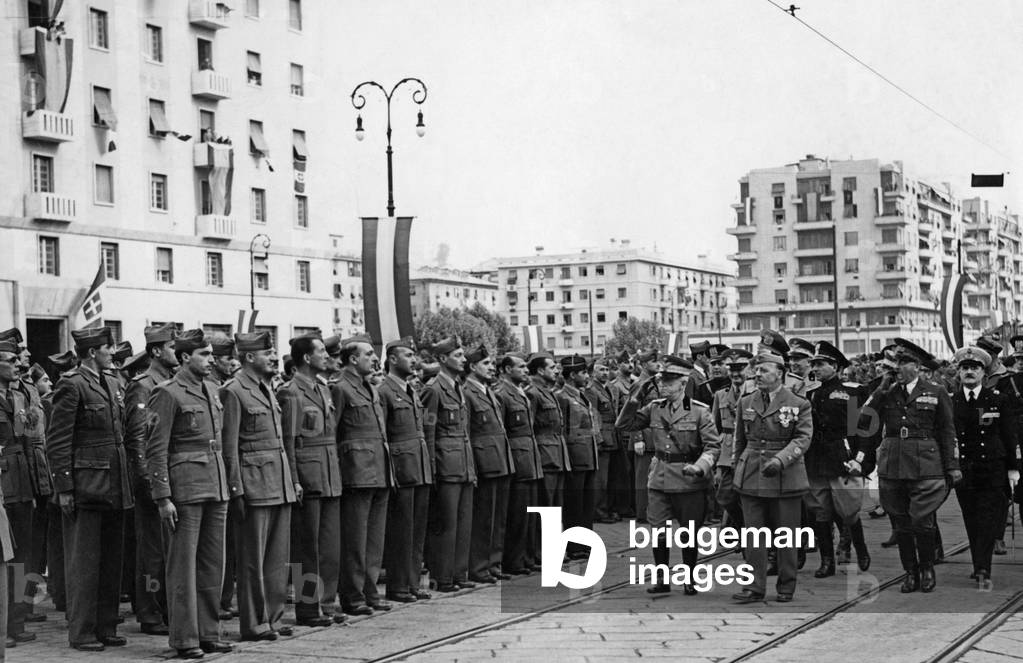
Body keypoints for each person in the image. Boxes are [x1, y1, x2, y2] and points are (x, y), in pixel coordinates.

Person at [145, 330, 234, 658]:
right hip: (184, 490)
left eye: (211, 354)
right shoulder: (166, 393)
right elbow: (155, 449)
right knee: (182, 567)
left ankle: (209, 632)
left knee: (213, 565)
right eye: (204, 355)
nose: (211, 360)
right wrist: (162, 497)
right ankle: (185, 638)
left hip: (214, 484)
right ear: (184, 358)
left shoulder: (212, 389)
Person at [45, 326, 134, 651]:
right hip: (85, 485)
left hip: (114, 483)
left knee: (111, 560)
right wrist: (65, 487)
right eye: (108, 348)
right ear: (93, 352)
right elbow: (58, 441)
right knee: (84, 563)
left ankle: (106, 626)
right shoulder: (71, 385)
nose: (112, 352)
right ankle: (82, 631)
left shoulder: (112, 382)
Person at [616, 355, 721, 595]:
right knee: (658, 531)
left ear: (683, 384)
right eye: (662, 381)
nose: (663, 385)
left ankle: (690, 579)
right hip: (660, 477)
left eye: (670, 381)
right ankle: (662, 579)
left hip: (688, 478)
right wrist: (634, 398)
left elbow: (713, 447)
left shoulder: (699, 412)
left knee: (688, 532)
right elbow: (624, 426)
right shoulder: (654, 408)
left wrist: (700, 467)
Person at [862, 338, 958, 593]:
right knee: (901, 523)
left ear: (917, 365)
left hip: (926, 464)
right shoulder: (884, 391)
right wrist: (879, 391)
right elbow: (860, 422)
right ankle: (910, 571)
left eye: (904, 362)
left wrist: (952, 466)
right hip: (893, 464)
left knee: (923, 521)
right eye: (896, 362)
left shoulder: (936, 391)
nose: (898, 368)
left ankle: (927, 567)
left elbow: (947, 431)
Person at [220, 331, 299, 640]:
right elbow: (230, 448)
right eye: (267, 353)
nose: (274, 357)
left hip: (277, 482)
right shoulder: (234, 391)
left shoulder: (267, 388)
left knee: (277, 560)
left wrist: (291, 480)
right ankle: (254, 623)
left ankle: (273, 618)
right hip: (254, 486)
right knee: (252, 560)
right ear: (250, 357)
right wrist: (237, 490)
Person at [731, 352, 812, 604]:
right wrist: (737, 468)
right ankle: (754, 586)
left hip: (785, 476)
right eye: (756, 371)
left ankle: (786, 586)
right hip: (752, 473)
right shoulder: (746, 402)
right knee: (753, 535)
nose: (758, 375)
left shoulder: (799, 403)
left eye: (764, 370)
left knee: (786, 535)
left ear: (780, 373)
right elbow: (739, 440)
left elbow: (803, 438)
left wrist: (781, 459)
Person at [278, 332, 342, 626]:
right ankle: (307, 607)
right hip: (307, 473)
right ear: (306, 357)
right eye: (321, 352)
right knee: (307, 547)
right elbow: (288, 441)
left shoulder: (323, 389)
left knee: (329, 545)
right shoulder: (291, 392)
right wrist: (294, 479)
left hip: (328, 473)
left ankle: (326, 603)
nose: (326, 356)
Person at [123, 323, 179, 636]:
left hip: (171, 475)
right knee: (151, 553)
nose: (177, 352)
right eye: (172, 347)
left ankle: (166, 607)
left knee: (168, 549)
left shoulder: (173, 382)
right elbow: (137, 439)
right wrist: (147, 482)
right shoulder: (143, 385)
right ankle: (149, 611)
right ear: (157, 351)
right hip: (151, 481)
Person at [950, 346, 1019, 588]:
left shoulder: (998, 399)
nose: (969, 372)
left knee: (988, 519)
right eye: (965, 368)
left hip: (992, 469)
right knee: (971, 518)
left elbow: (1009, 435)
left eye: (975, 368)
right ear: (958, 372)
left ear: (983, 372)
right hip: (965, 470)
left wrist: (1014, 467)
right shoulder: (951, 402)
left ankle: (983, 567)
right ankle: (978, 562)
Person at [332, 336, 391, 614]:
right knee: (355, 540)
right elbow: (331, 433)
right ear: (353, 359)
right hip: (355, 471)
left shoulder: (370, 387)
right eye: (368, 354)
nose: (374, 358)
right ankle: (353, 596)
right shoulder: (341, 388)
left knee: (374, 539)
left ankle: (370, 591)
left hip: (378, 469)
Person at [805, 341, 872, 577]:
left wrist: (860, 458)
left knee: (848, 509)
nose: (816, 368)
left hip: (842, 457)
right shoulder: (810, 394)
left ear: (835, 365)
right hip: (816, 460)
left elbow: (863, 428)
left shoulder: (853, 391)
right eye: (814, 364)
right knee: (820, 511)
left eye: (821, 364)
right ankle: (826, 561)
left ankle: (860, 547)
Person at [378, 338, 432, 602]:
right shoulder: (384, 391)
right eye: (408, 355)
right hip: (401, 468)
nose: (413, 360)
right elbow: (383, 436)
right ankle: (398, 585)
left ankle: (412, 583)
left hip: (419, 466)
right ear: (392, 359)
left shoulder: (410, 389)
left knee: (417, 529)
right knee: (401, 530)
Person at [422, 337, 476, 592]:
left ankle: (458, 572)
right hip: (445, 465)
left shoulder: (457, 388)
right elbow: (428, 431)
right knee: (446, 525)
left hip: (462, 463)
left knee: (463, 523)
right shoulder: (433, 390)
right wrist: (432, 469)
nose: (464, 359)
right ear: (443, 359)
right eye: (458, 355)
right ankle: (442, 576)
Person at [463, 345, 514, 584]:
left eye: (492, 363)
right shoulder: (467, 393)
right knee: (484, 518)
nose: (492, 367)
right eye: (486, 363)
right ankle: (479, 566)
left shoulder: (489, 391)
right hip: (485, 462)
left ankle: (494, 563)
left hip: (500, 460)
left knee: (498, 517)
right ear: (472, 367)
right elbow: (467, 433)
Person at [0, 339, 36, 647]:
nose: (18, 365)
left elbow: (24, 438)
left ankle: (18, 620)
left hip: (22, 481)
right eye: (11, 360)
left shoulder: (19, 397)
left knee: (23, 555)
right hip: (1, 483)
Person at [494, 353, 543, 575]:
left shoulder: (521, 392)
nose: (525, 370)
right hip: (517, 459)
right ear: (506, 370)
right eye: (520, 367)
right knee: (517, 514)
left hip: (529, 459)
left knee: (529, 514)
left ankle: (525, 557)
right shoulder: (502, 394)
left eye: (525, 367)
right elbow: (501, 432)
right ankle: (513, 561)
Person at [557, 355, 600, 561]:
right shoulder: (562, 397)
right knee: (574, 504)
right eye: (583, 373)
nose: (586, 376)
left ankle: (585, 544)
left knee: (586, 503)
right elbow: (562, 430)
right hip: (574, 457)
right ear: (572, 375)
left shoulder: (581, 396)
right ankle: (574, 546)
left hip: (588, 455)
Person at [711, 349, 754, 529]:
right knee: (724, 496)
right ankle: (742, 526)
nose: (735, 373)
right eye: (731, 369)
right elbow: (715, 427)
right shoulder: (721, 395)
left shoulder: (756, 393)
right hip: (728, 453)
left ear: (750, 370)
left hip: (750, 450)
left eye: (741, 368)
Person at [526, 353, 569, 521]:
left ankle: (553, 545)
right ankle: (542, 546)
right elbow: (529, 428)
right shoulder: (533, 393)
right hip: (545, 455)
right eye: (552, 367)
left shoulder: (548, 392)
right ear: (540, 371)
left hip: (557, 454)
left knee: (557, 504)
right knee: (546, 505)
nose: (556, 371)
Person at [587, 358, 619, 524]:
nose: (605, 373)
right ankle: (599, 511)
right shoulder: (591, 389)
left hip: (612, 436)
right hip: (603, 439)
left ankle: (608, 508)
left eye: (607, 370)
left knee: (611, 478)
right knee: (601, 480)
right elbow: (593, 415)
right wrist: (597, 438)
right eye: (601, 370)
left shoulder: (608, 388)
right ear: (593, 372)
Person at [630, 349, 661, 522]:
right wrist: (638, 439)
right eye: (653, 361)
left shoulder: (653, 382)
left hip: (655, 436)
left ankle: (653, 511)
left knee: (653, 477)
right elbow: (631, 413)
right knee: (642, 478)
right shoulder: (639, 384)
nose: (657, 364)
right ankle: (642, 514)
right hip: (644, 437)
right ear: (643, 364)